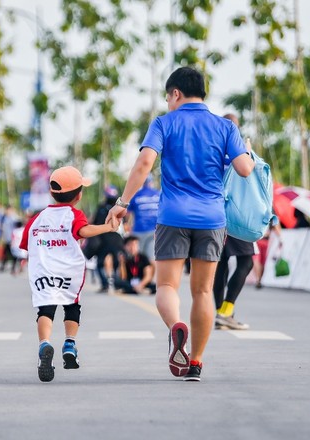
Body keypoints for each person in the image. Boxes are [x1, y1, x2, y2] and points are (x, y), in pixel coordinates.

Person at [106, 67, 254, 382]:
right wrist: (249, 154)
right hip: (212, 218)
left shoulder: (164, 123)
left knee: (166, 286)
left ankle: (176, 327)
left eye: (168, 98)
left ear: (176, 93)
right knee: (202, 291)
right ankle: (196, 362)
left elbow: (145, 162)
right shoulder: (225, 127)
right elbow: (244, 169)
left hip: (173, 215)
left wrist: (122, 203)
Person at [19, 166, 119, 382]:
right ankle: (70, 344)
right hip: (68, 271)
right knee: (72, 307)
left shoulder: (38, 217)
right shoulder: (74, 215)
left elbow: (26, 245)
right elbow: (83, 231)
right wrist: (108, 227)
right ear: (78, 194)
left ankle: (44, 344)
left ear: (52, 192)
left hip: (44, 272)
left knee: (45, 309)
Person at [213, 113, 257, 331]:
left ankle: (220, 313)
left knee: (220, 266)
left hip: (215, 213)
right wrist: (247, 152)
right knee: (247, 260)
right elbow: (247, 172)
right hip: (235, 214)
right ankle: (225, 311)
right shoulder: (235, 148)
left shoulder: (212, 148)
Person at [91, 186, 124, 292]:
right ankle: (117, 283)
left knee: (100, 263)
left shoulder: (101, 207)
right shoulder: (118, 208)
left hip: (103, 238)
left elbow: (95, 222)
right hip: (115, 239)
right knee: (116, 263)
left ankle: (106, 284)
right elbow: (125, 222)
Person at [127, 176, 160, 263]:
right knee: (151, 258)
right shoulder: (158, 194)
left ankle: (138, 276)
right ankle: (151, 276)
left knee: (137, 257)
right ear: (151, 182)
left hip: (138, 230)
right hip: (154, 230)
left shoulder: (136, 195)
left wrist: (127, 225)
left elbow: (128, 213)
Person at [252, 223, 282, 289]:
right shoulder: (273, 217)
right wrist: (280, 240)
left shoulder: (259, 214)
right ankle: (259, 280)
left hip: (257, 240)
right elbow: (278, 230)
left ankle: (258, 279)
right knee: (262, 262)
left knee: (256, 260)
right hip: (266, 241)